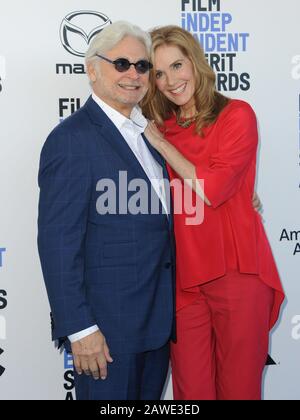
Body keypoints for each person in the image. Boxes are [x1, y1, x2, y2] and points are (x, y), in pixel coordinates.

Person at [141, 25, 285, 400]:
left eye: (177, 65)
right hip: (184, 280)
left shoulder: (237, 114)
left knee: (238, 390)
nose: (171, 80)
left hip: (236, 272)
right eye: (158, 72)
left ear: (195, 62)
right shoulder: (160, 128)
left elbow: (215, 189)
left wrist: (163, 146)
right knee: (191, 394)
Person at [37, 21, 175, 400]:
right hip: (105, 336)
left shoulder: (149, 137)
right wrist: (80, 330)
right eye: (121, 63)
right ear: (92, 69)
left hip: (156, 327)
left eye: (142, 66)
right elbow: (58, 244)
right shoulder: (71, 140)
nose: (133, 74)